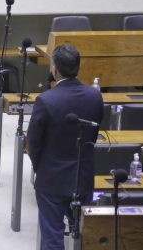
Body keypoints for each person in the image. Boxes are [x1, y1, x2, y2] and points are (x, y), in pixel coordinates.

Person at [27, 44, 103, 250]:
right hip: (83, 176)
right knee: (83, 235)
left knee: (52, 238)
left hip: (51, 178)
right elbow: (93, 136)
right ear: (79, 66)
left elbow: (33, 143)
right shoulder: (95, 96)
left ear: (54, 69)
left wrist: (40, 167)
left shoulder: (46, 100)